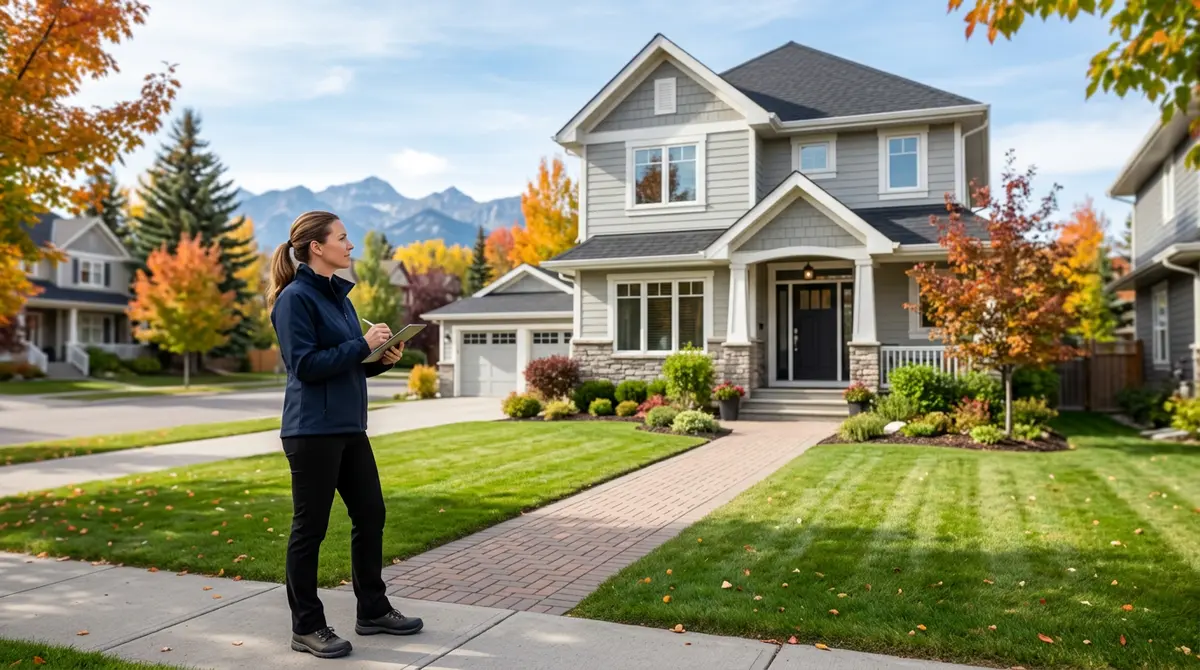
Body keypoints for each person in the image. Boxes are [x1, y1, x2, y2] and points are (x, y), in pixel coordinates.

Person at [267, 210, 423, 659]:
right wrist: (362, 344)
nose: (350, 245)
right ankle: (307, 627)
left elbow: (343, 365)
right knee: (309, 529)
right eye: (342, 237)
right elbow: (306, 366)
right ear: (317, 247)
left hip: (349, 427)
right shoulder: (295, 298)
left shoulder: (339, 298)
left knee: (371, 514)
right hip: (311, 431)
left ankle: (372, 610)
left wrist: (379, 359)